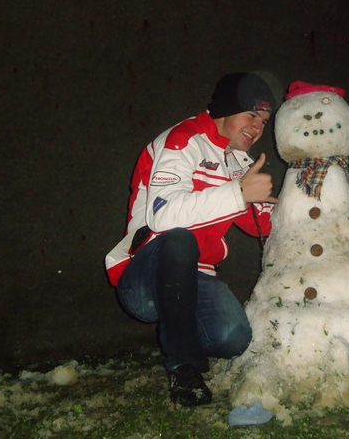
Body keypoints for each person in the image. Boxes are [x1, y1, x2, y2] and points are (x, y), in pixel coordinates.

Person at [105, 72, 279, 407]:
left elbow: (263, 223)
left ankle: (180, 329)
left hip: (197, 279)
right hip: (144, 277)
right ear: (226, 109)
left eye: (264, 122)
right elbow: (163, 215)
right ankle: (184, 367)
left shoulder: (237, 161)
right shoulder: (182, 140)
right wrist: (238, 193)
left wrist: (308, 195)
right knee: (179, 240)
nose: (257, 128)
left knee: (233, 338)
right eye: (251, 115)